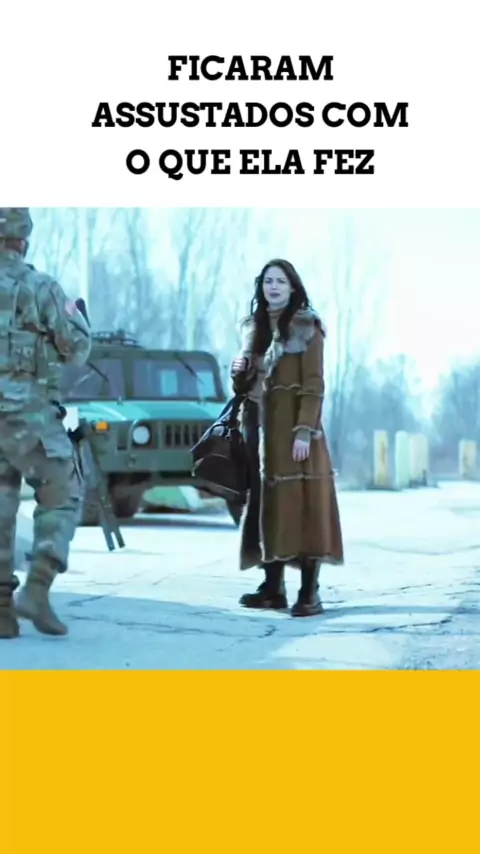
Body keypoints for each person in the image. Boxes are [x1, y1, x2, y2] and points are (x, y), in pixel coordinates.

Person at [231, 259, 344, 617]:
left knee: (304, 507)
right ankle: (272, 588)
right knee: (266, 507)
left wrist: (304, 432)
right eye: (268, 281)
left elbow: (314, 384)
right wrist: (237, 373)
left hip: (296, 433)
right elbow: (246, 387)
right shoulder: (253, 329)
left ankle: (309, 592)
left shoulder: (307, 327)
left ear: (293, 287)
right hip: (259, 431)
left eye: (280, 281)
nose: (274, 287)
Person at [0, 207, 92, 639]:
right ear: (23, 241)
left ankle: (2, 611)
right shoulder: (41, 287)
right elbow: (76, 349)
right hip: (29, 417)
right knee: (63, 494)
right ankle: (36, 589)